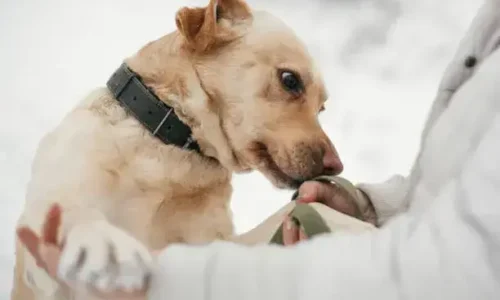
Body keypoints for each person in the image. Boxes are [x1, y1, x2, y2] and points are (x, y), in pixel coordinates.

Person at [17, 0, 500, 299]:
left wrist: (339, 222)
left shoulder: (210, 173)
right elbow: (46, 253)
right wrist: (371, 207)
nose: (331, 159)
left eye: (317, 109)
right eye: (290, 85)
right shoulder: (86, 143)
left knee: (319, 225)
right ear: (209, 34)